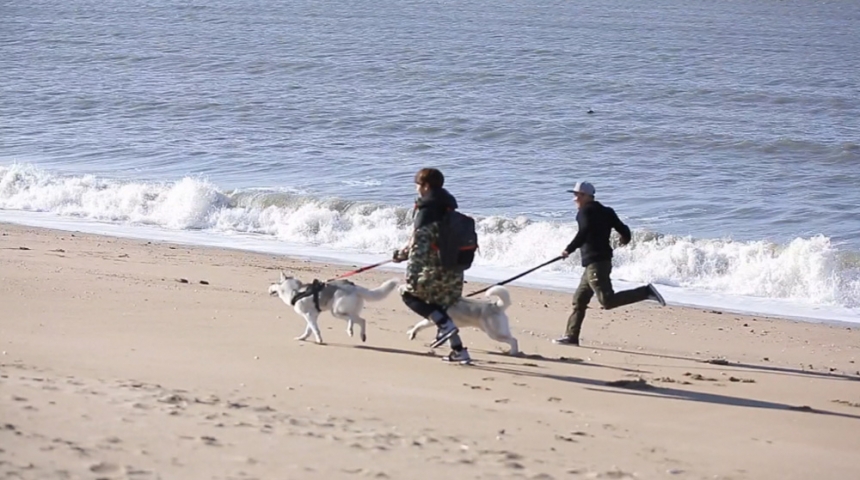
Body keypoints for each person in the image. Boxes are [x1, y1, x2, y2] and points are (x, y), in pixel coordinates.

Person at [554, 181, 666, 346]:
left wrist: (568, 250)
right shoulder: (607, 211)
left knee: (607, 301)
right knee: (579, 299)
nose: (575, 199)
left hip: (596, 263)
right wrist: (624, 239)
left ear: (587, 196)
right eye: (575, 195)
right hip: (600, 262)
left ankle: (645, 292)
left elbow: (583, 233)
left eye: (577, 195)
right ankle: (571, 336)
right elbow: (624, 229)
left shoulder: (584, 212)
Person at [392, 168, 471, 364]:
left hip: (433, 274)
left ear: (426, 186)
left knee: (407, 294)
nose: (417, 189)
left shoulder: (427, 210)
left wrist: (402, 257)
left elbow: (420, 245)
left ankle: (446, 327)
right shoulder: (448, 208)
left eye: (418, 185)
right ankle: (459, 351)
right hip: (454, 273)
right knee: (438, 308)